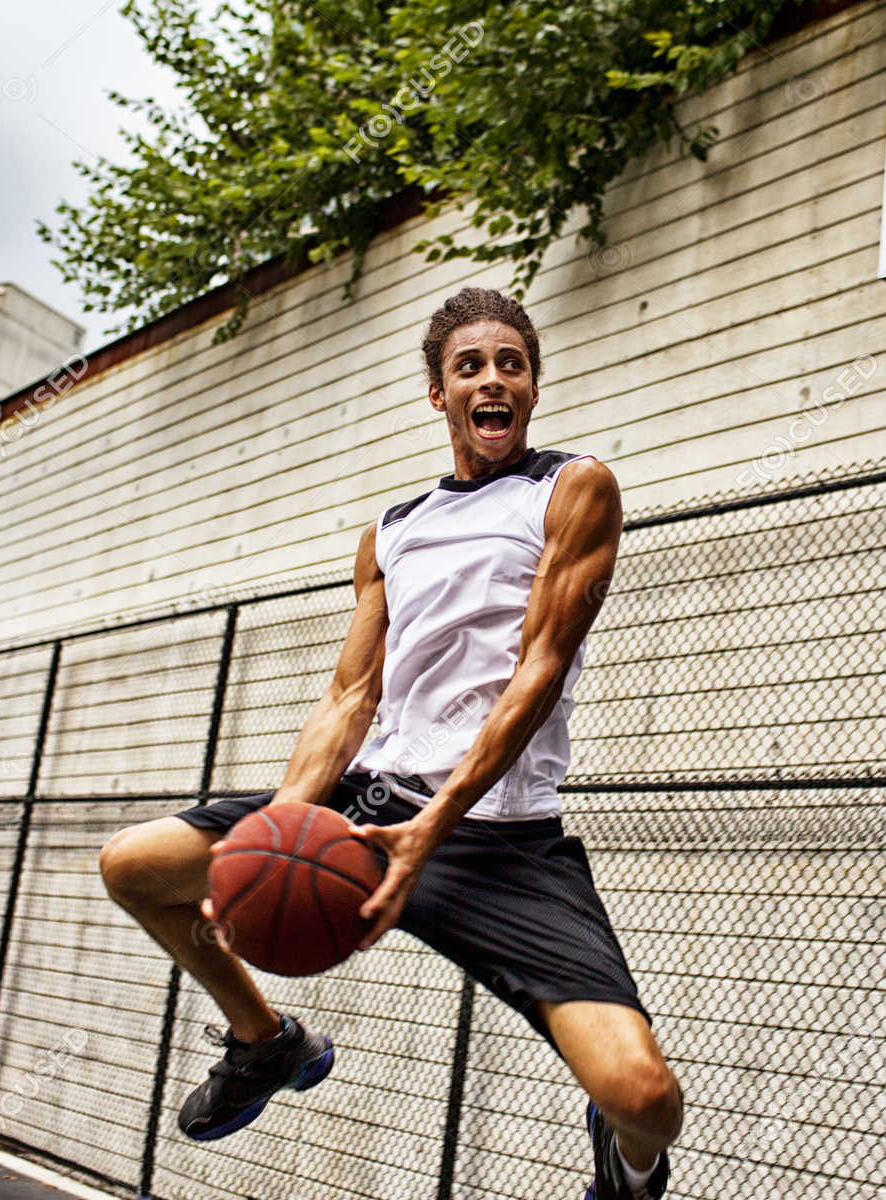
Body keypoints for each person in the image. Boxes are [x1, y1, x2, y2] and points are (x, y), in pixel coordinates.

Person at [99, 286, 682, 1199]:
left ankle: (629, 1171)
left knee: (643, 1096)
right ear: (438, 394)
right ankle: (266, 1044)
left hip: (497, 837)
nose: (494, 379)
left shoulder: (573, 488)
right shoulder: (391, 530)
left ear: (531, 386)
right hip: (364, 807)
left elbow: (540, 667)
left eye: (512, 364)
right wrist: (280, 832)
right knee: (135, 866)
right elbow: (350, 695)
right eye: (470, 366)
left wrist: (435, 826)